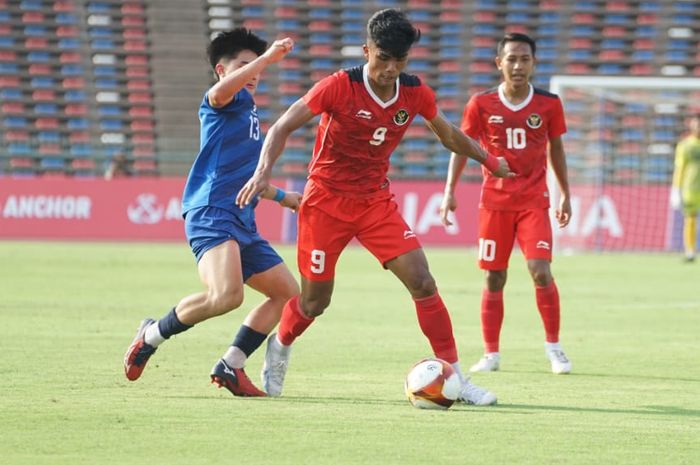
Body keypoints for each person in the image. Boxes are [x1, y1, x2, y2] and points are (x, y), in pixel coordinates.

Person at [237, 9, 514, 405]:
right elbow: (281, 127)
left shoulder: (415, 92)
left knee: (423, 281)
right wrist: (264, 173)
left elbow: (450, 134)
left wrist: (490, 162)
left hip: (374, 203)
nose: (389, 69)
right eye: (383, 58)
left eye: (399, 61)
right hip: (326, 203)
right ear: (367, 50)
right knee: (315, 301)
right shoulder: (337, 86)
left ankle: (455, 375)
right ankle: (280, 343)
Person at [123, 28, 301, 397]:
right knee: (226, 296)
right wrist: (267, 58)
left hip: (242, 219)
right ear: (222, 70)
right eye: (242, 65)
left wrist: (282, 196)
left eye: (255, 66)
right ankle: (151, 335)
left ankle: (232, 364)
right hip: (211, 211)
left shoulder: (249, 114)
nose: (252, 72)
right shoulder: (218, 99)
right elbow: (218, 93)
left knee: (286, 292)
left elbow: (249, 178)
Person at [440, 32, 573, 375]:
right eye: (511, 59)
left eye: (524, 59)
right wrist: (449, 189)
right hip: (494, 204)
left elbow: (555, 150)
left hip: (533, 202)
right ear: (499, 63)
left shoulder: (549, 104)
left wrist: (565, 194)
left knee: (540, 271)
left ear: (533, 63)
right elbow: (463, 146)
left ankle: (555, 349)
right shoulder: (480, 104)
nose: (518, 65)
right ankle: (491, 354)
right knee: (494, 278)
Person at [670, 114, 700, 263]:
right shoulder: (685, 145)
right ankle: (690, 251)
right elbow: (680, 168)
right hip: (691, 189)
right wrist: (676, 189)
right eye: (696, 124)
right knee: (691, 219)